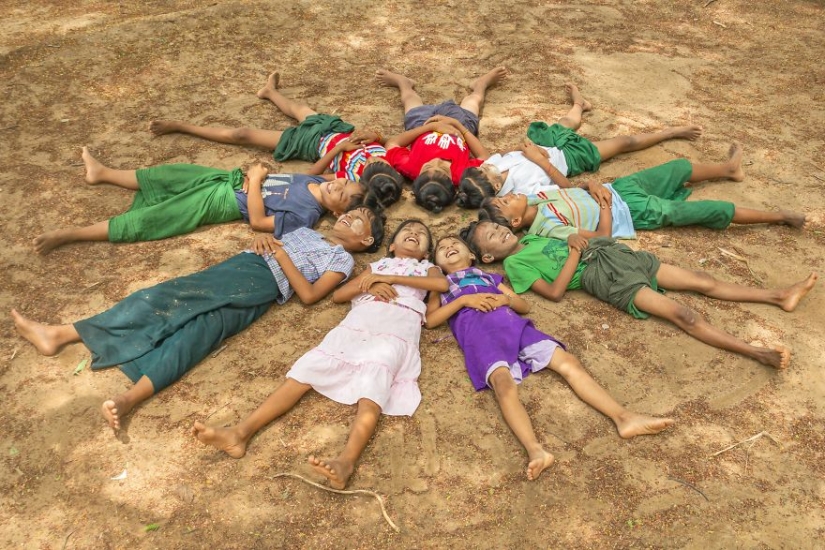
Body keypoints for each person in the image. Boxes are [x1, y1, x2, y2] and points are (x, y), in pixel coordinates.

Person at [13, 206, 385, 431]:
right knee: (171, 306)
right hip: (246, 267)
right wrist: (262, 244)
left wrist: (279, 253)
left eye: (360, 221)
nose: (351, 216)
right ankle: (64, 335)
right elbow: (263, 242)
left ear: (366, 241)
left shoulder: (343, 261)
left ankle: (126, 398)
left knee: (195, 332)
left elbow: (308, 296)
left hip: (263, 287)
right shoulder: (304, 231)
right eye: (352, 212)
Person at [192, 220, 448, 490]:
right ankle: (239, 432)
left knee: (373, 390)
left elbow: (440, 285)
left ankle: (346, 462)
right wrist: (370, 285)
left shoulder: (426, 269)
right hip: (358, 322)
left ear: (426, 253)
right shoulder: (376, 266)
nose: (414, 234)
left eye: (421, 235)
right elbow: (340, 295)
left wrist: (391, 279)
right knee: (304, 372)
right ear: (392, 245)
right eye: (407, 231)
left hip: (396, 327)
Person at [426, 236, 673, 481]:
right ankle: (536, 450)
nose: (449, 247)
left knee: (569, 363)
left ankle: (624, 418)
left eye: (455, 244)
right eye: (442, 248)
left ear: (472, 255)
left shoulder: (489, 276)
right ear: (435, 262)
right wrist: (463, 300)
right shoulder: (440, 284)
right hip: (479, 337)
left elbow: (523, 306)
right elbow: (432, 321)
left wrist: (505, 299)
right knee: (503, 386)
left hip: (514, 325)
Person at [460, 220, 818, 369]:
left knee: (701, 279)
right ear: (488, 257)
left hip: (614, 256)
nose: (499, 231)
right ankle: (758, 353)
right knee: (684, 315)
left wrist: (581, 237)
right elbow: (554, 292)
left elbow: (596, 234)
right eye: (491, 236)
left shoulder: (537, 235)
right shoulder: (517, 266)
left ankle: (778, 295)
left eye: (496, 226)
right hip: (603, 276)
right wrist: (573, 250)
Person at [34, 148, 368, 254]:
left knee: (158, 218)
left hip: (222, 201)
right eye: (341, 181)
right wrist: (338, 153)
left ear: (338, 212)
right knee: (169, 174)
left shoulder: (306, 215)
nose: (338, 185)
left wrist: (255, 181)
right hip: (225, 178)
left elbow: (257, 223)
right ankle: (103, 173)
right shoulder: (314, 182)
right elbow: (316, 173)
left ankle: (73, 234)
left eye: (343, 194)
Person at [150, 71, 405, 202]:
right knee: (299, 109)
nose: (375, 161)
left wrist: (337, 151)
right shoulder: (389, 162)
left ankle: (181, 126)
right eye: (379, 163)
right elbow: (389, 141)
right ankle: (269, 92)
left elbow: (310, 175)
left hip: (313, 144)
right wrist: (377, 135)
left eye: (374, 166)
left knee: (243, 134)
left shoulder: (350, 178)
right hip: (336, 128)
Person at [456, 83, 703, 208]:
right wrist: (540, 161)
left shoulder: (491, 165)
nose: (484, 166)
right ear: (497, 186)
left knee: (567, 122)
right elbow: (566, 188)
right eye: (484, 171)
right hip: (569, 159)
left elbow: (507, 153)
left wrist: (526, 148)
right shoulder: (521, 193)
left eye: (480, 168)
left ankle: (579, 104)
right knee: (622, 143)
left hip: (545, 142)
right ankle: (670, 132)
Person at [480, 145, 807, 239]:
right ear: (517, 222)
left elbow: (568, 189)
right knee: (707, 210)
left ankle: (727, 169)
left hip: (619, 188)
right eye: (506, 202)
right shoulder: (547, 229)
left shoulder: (537, 198)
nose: (509, 195)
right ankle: (777, 216)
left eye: (504, 195)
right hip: (630, 211)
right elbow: (602, 238)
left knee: (678, 168)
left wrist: (592, 185)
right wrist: (605, 208)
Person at [376, 67, 507, 212]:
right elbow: (485, 158)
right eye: (443, 168)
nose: (437, 161)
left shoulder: (411, 167)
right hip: (458, 126)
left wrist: (432, 127)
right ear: (453, 182)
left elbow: (392, 143)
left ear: (418, 175)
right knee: (473, 101)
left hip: (422, 126)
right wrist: (459, 127)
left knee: (410, 100)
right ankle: (480, 85)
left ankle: (404, 83)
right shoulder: (460, 174)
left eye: (428, 166)